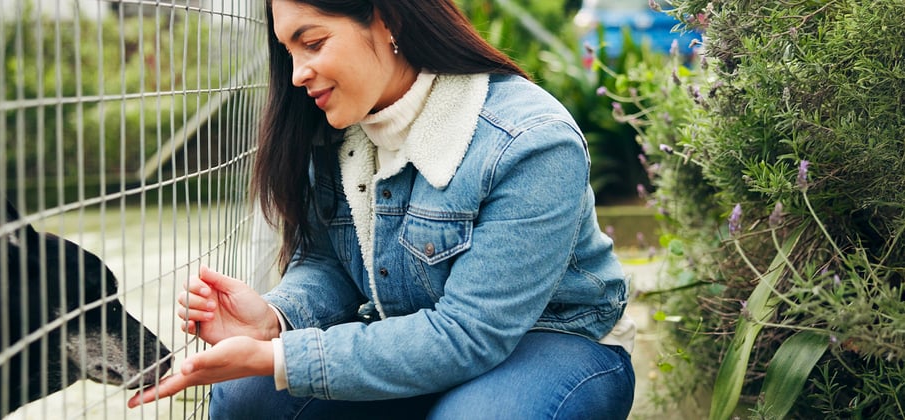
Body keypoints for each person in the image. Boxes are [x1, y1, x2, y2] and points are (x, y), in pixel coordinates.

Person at [127, 0, 637, 418]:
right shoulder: (339, 126)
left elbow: (469, 334)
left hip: (548, 343)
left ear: (387, 18)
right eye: (288, 51)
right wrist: (274, 319)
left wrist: (281, 356)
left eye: (313, 42)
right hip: (412, 338)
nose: (298, 72)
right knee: (248, 397)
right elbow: (330, 262)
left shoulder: (530, 142)